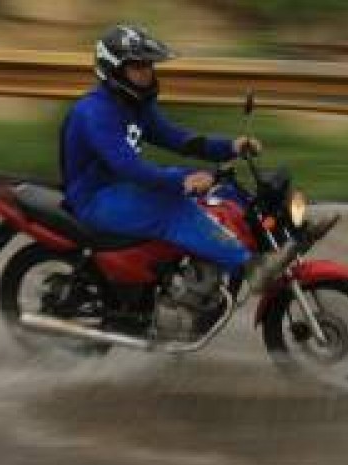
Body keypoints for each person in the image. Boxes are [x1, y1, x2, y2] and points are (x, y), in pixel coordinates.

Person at [59, 24, 298, 295]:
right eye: (138, 67)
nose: (147, 73)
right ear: (114, 70)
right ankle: (249, 268)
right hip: (95, 198)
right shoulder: (95, 112)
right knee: (173, 207)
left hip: (121, 187)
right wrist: (182, 179)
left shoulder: (135, 106)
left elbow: (177, 139)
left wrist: (230, 147)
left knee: (225, 195)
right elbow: (128, 166)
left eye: (149, 65)